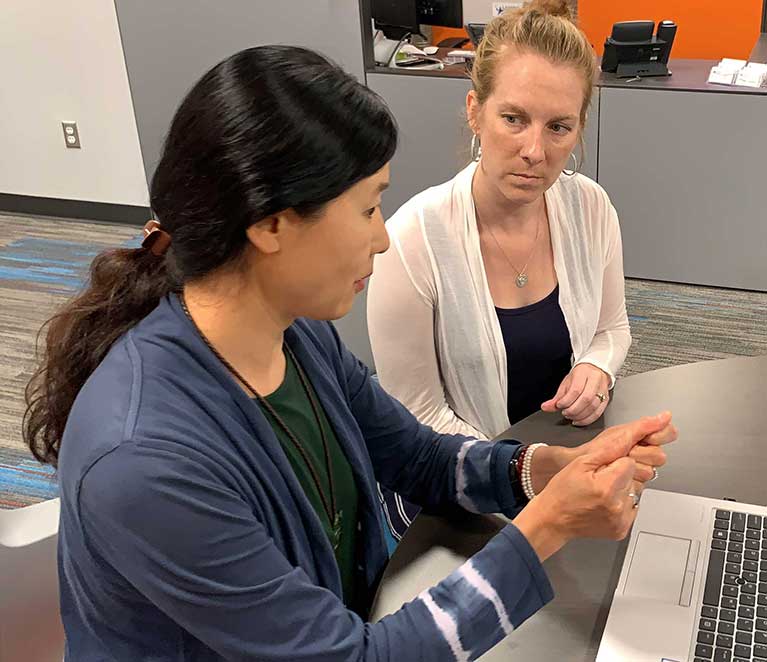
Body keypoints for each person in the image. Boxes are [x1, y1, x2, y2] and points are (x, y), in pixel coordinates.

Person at [23, 45, 675, 661]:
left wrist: (540, 471)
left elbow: (416, 457)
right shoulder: (145, 462)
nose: (382, 239)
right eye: (366, 209)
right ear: (270, 224)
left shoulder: (293, 334)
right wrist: (545, 530)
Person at [367, 0, 632, 443]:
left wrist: (597, 366)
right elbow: (417, 416)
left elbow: (612, 327)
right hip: (461, 481)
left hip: (571, 457)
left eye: (559, 127)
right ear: (475, 111)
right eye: (514, 119)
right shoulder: (412, 242)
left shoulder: (591, 208)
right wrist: (522, 475)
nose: (534, 151)